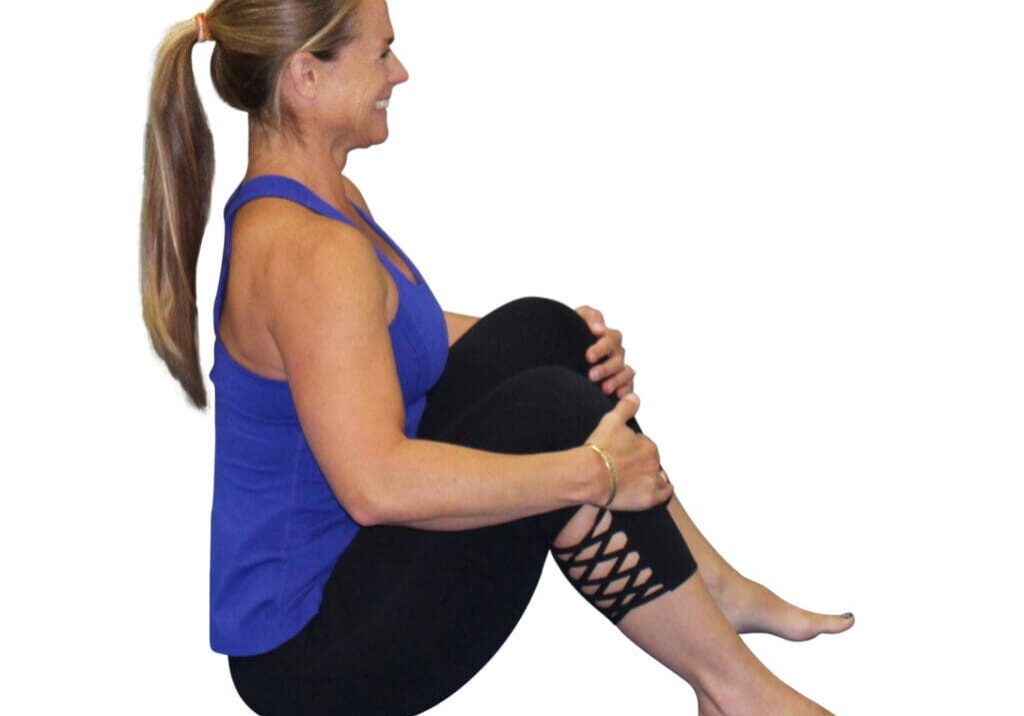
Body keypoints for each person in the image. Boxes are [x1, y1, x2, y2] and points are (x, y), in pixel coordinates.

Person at [139, 1, 854, 714]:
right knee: (556, 417)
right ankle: (739, 695)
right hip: (311, 656)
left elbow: (387, 332)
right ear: (305, 77)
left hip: (353, 572)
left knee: (544, 332)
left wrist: (574, 348)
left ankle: (709, 591)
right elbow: (376, 486)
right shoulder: (309, 250)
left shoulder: (322, 202)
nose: (401, 73)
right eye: (381, 53)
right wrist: (595, 472)